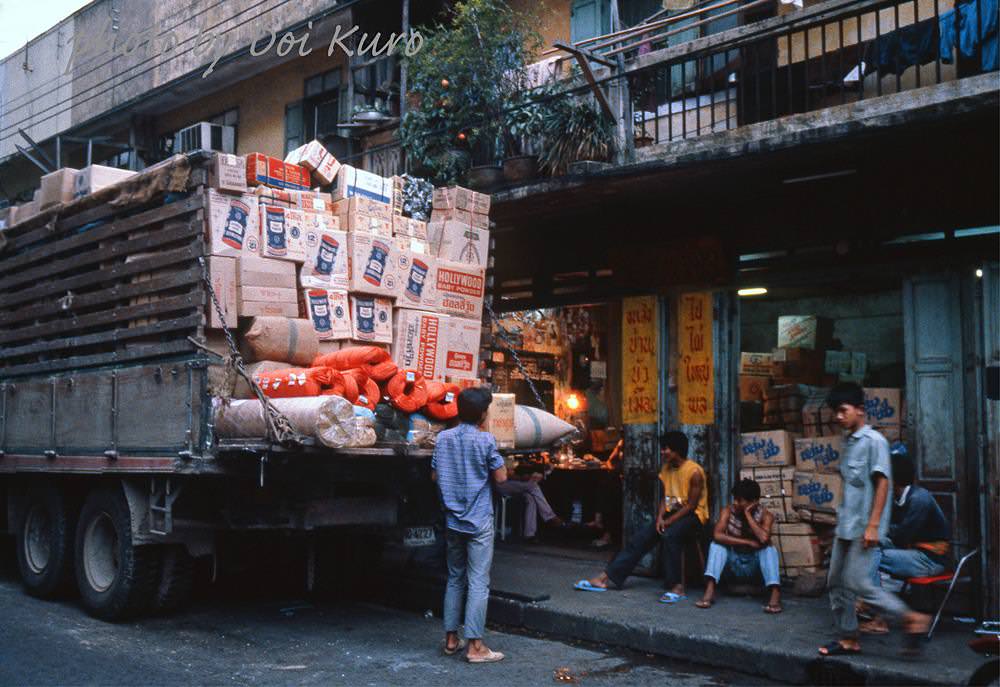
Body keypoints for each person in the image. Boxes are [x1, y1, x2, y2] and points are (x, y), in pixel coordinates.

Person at [817, 382, 930, 658]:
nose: (838, 417)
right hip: (846, 525)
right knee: (835, 583)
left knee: (860, 584)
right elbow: (850, 487)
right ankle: (848, 638)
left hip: (864, 529)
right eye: (836, 412)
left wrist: (872, 526)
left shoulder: (875, 442)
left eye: (843, 411)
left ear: (860, 410)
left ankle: (911, 618)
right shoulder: (847, 441)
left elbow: (882, 484)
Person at [574, 431, 708, 603]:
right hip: (672, 514)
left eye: (665, 449)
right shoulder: (667, 468)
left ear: (676, 450)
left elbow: (691, 506)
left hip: (694, 517)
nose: (662, 452)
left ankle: (677, 587)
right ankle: (604, 579)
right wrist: (660, 518)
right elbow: (665, 498)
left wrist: (668, 521)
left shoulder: (694, 471)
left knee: (671, 535)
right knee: (641, 538)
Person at [431, 387, 507, 664]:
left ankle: (451, 639)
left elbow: (435, 476)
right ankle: (475, 646)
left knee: (454, 577)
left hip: (453, 519)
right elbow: (500, 477)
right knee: (478, 582)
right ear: (483, 415)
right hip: (478, 520)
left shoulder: (443, 439)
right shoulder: (485, 441)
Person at [859, 447, 951, 634]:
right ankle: (872, 604)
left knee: (871, 555)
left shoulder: (919, 499)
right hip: (913, 554)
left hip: (929, 560)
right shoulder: (898, 498)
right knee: (868, 549)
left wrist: (877, 533)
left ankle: (877, 615)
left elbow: (900, 537)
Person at [695, 478, 782, 613]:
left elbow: (764, 538)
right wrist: (747, 542)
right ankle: (710, 591)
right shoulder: (728, 511)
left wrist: (747, 514)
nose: (735, 503)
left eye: (740, 500)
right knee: (717, 546)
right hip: (733, 566)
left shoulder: (766, 515)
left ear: (753, 502)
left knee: (769, 549)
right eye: (735, 499)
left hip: (754, 569)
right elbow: (717, 535)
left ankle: (775, 596)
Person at [494, 471, 563, 543]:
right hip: (500, 484)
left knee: (531, 498)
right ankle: (550, 516)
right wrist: (523, 478)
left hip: (509, 482)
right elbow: (501, 476)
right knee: (533, 485)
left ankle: (529, 534)